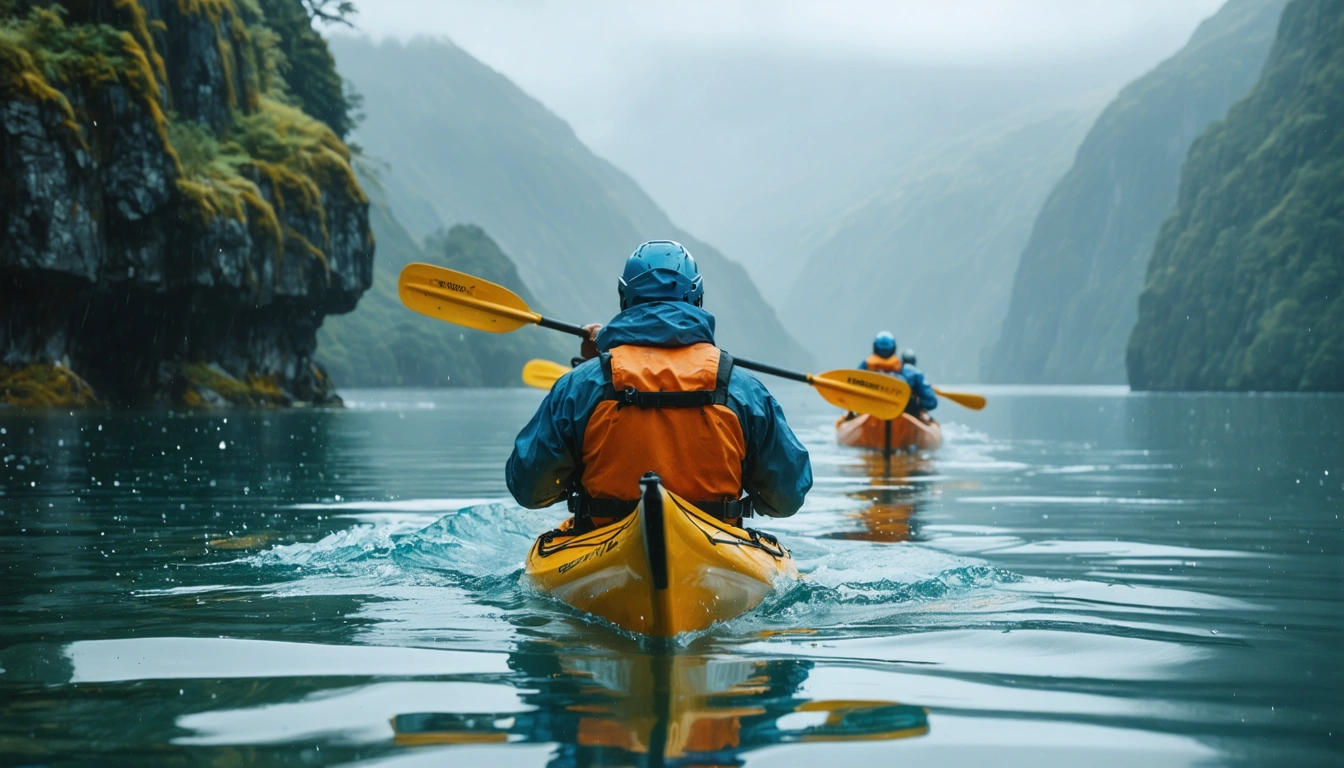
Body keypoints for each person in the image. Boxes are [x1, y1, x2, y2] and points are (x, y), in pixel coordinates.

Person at [506, 240, 812, 530]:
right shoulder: (742, 388)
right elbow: (786, 497)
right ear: (697, 298)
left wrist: (571, 481)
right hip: (718, 547)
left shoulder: (581, 385)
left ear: (625, 299)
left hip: (602, 541)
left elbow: (529, 488)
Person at [858, 331, 936, 415]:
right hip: (904, 414)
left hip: (871, 413)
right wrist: (918, 402)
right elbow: (931, 403)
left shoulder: (863, 369)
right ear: (894, 348)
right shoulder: (911, 373)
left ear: (875, 348)